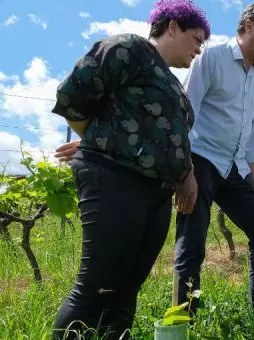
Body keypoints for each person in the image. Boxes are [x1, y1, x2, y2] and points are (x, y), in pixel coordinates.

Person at [50, 1, 209, 338]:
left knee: (125, 291)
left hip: (156, 193)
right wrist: (97, 140)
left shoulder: (173, 85)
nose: (199, 47)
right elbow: (73, 96)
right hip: (115, 178)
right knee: (98, 287)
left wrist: (186, 172)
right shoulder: (130, 48)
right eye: (196, 38)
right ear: (172, 27)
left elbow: (165, 135)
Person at [173, 2, 254, 310]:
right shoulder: (211, 58)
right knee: (191, 247)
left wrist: (249, 175)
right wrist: (185, 172)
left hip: (235, 169)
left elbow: (249, 137)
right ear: (249, 26)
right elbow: (183, 113)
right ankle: (184, 321)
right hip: (201, 160)